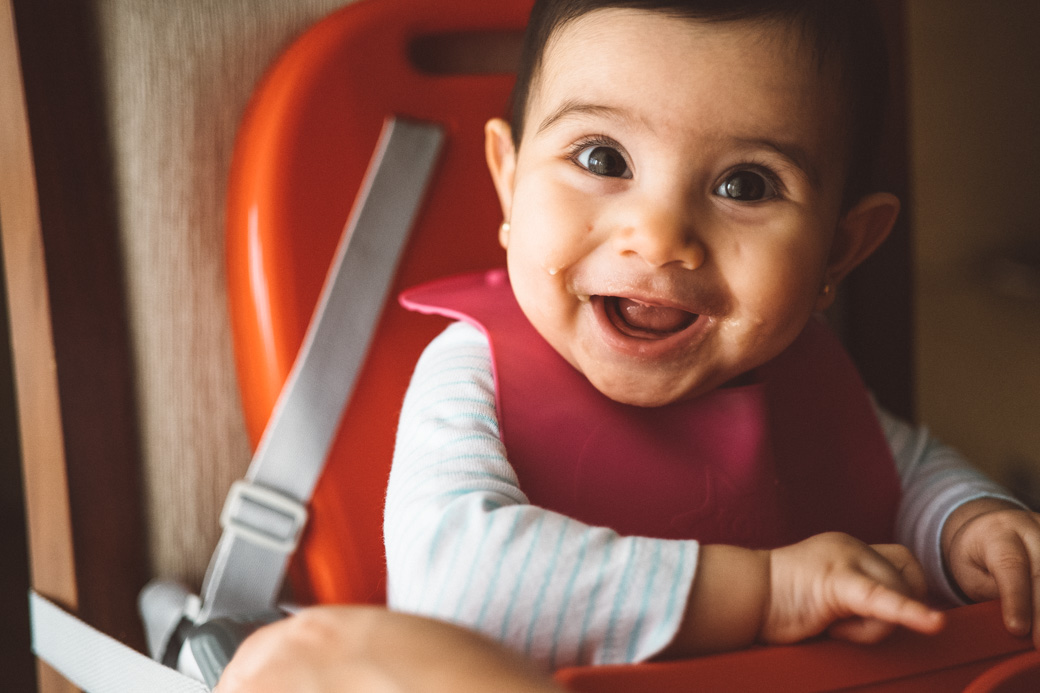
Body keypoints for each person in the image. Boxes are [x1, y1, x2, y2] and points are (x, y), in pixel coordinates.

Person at [383, 0, 1040, 670]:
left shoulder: (802, 378)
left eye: (745, 184)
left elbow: (907, 478)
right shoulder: (479, 375)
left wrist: (972, 525)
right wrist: (768, 592)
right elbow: (453, 587)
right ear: (510, 180)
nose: (662, 235)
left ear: (839, 251)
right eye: (603, 159)